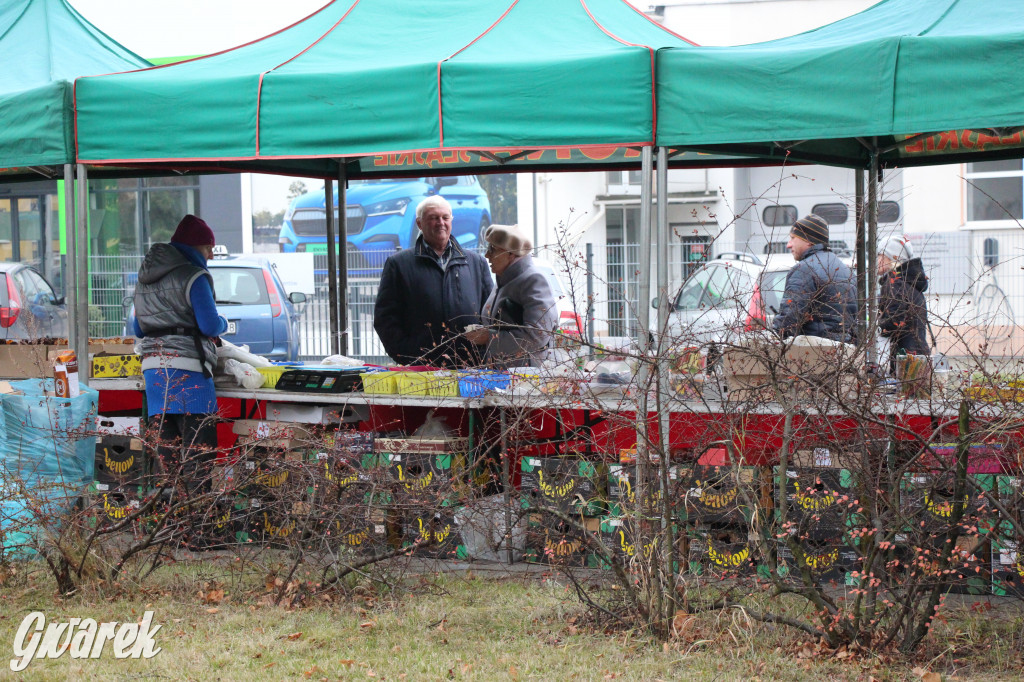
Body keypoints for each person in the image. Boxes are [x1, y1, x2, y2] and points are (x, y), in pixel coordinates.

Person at [133, 214, 227, 499]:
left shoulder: (145, 278)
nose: (211, 253)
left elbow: (138, 327)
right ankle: (198, 530)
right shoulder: (194, 276)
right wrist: (223, 324)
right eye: (208, 247)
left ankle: (172, 531)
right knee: (198, 453)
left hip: (153, 371)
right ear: (197, 247)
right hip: (188, 371)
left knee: (170, 456)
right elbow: (210, 325)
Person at [374, 196, 493, 366]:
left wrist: (482, 353)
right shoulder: (399, 264)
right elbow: (385, 319)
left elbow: (490, 313)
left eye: (445, 217)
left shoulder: (476, 262)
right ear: (419, 224)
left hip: (471, 367)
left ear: (451, 220)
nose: (440, 223)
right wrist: (407, 355)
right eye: (433, 218)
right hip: (422, 368)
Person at [465, 224, 557, 367]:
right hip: (504, 373)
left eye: (492, 249)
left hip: (524, 378)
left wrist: (489, 337)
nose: (487, 255)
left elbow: (537, 336)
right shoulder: (504, 280)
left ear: (511, 254)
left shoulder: (533, 280)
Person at [772, 213, 858, 343]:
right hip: (845, 352)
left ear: (808, 239)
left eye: (793, 238)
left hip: (814, 353)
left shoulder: (804, 270)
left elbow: (788, 321)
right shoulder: (847, 271)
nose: (788, 245)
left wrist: (773, 336)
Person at [877, 234, 930, 359]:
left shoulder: (895, 284)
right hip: (917, 353)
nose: (877, 260)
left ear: (889, 258)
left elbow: (894, 320)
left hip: (904, 359)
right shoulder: (910, 283)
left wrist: (876, 327)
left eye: (880, 255)